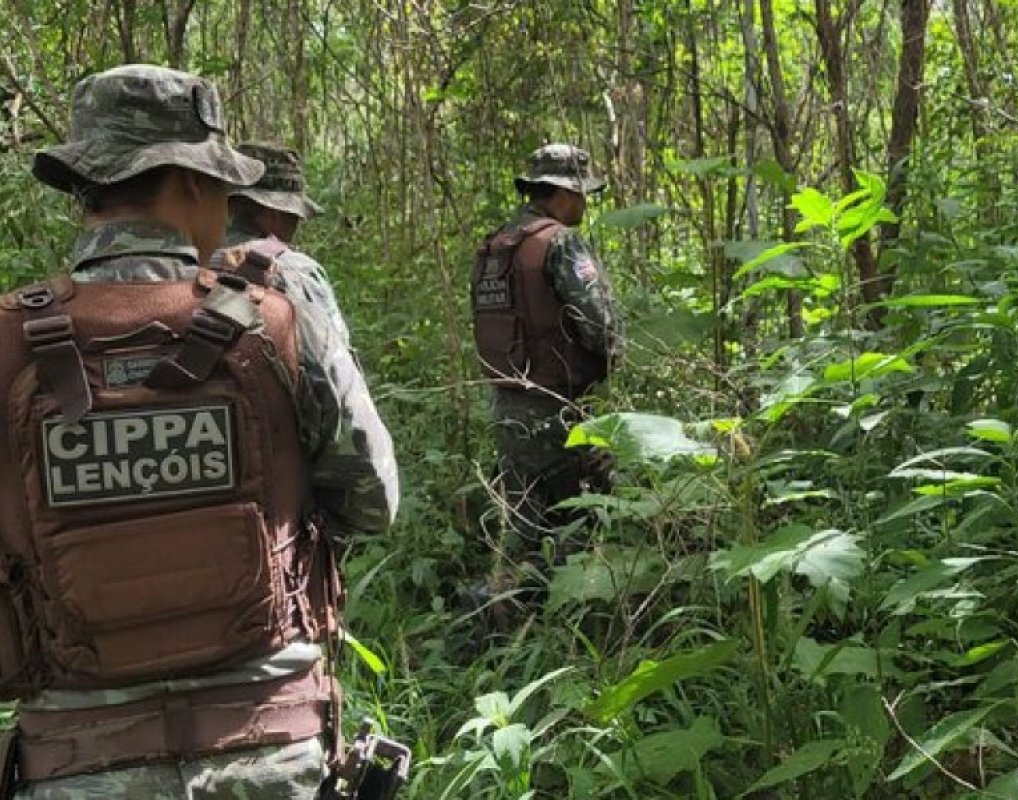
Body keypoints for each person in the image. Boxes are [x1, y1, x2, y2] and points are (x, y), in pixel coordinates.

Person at [0, 64, 399, 799]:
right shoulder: (278, 321)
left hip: (76, 759)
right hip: (268, 745)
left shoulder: (9, 340)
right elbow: (373, 502)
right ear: (188, 184)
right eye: (221, 183)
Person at [471, 143, 623, 563]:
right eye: (582, 194)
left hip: (507, 408)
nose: (585, 203)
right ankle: (573, 619)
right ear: (563, 193)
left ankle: (511, 613)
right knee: (582, 527)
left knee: (524, 529)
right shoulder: (560, 244)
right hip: (560, 411)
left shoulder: (495, 248)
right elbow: (602, 329)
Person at [216, 141, 352, 346]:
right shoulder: (299, 272)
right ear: (275, 215)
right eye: (295, 217)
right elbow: (336, 362)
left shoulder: (187, 261)